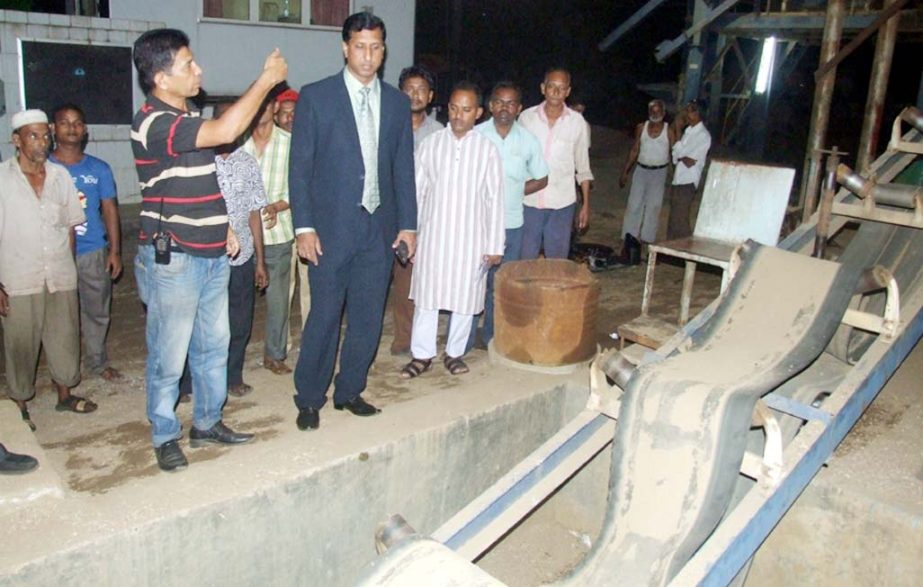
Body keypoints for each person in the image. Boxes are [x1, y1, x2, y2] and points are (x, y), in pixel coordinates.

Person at [131, 28, 287, 472]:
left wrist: (225, 227)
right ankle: (164, 433)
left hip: (213, 251)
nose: (198, 69)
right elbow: (227, 129)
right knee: (169, 352)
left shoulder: (186, 115)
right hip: (174, 257)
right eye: (188, 64)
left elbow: (204, 181)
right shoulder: (154, 122)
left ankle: (206, 422)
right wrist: (266, 80)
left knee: (212, 346)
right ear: (161, 78)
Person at [289, 11, 416, 431]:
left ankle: (349, 390)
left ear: (384, 50)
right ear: (345, 48)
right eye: (360, 46)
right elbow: (300, 168)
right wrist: (304, 227)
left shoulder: (396, 103)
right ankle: (309, 397)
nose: (368, 56)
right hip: (328, 231)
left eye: (375, 47)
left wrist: (408, 224)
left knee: (366, 317)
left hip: (378, 231)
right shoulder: (316, 96)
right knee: (325, 314)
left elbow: (403, 168)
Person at [0, 110, 96, 432]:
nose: (41, 142)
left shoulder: (60, 177)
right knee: (20, 344)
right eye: (32, 136)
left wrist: (68, 271)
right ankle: (20, 405)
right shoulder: (2, 179)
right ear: (16, 140)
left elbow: (70, 227)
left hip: (59, 274)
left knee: (64, 338)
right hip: (17, 277)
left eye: (44, 135)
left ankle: (65, 394)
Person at [401, 81, 505, 378]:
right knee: (427, 297)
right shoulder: (431, 145)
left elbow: (494, 199)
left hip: (471, 239)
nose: (459, 115)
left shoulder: (486, 151)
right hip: (433, 236)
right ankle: (421, 355)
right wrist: (412, 234)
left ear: (479, 113)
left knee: (464, 298)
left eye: (467, 110)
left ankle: (454, 353)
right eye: (454, 108)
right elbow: (417, 192)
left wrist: (495, 244)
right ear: (448, 109)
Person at [179, 102, 270, 400]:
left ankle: (233, 377)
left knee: (240, 320)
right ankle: (189, 383)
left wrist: (260, 261)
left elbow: (255, 212)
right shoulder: (199, 160)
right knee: (198, 323)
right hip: (205, 255)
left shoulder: (247, 162)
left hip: (241, 256)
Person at [468, 81, 547, 349]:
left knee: (500, 285)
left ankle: (492, 337)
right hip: (476, 224)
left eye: (511, 103)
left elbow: (542, 177)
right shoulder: (475, 136)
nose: (505, 108)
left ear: (519, 108)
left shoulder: (528, 141)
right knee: (471, 284)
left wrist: (513, 189)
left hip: (512, 225)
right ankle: (463, 342)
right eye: (499, 102)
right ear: (490, 106)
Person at [49, 103, 124, 382]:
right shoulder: (43, 168)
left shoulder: (98, 169)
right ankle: (63, 370)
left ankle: (97, 362)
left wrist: (114, 250)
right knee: (60, 315)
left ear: (85, 130)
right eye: (65, 122)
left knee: (96, 310)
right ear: (53, 129)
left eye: (78, 123)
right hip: (54, 255)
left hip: (92, 250)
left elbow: (109, 209)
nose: (72, 128)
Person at [390, 65, 443, 357]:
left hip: (423, 219)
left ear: (431, 95)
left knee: (413, 281)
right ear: (400, 93)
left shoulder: (439, 134)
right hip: (387, 216)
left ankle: (409, 338)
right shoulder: (387, 126)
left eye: (421, 89)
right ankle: (397, 336)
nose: (415, 94)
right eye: (409, 89)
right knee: (388, 281)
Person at [242, 96, 295, 376]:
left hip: (277, 233)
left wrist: (277, 205)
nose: (260, 110)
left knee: (277, 301)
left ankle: (274, 354)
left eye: (265, 104)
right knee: (238, 301)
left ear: (274, 108)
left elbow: (300, 187)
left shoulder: (288, 144)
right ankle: (232, 358)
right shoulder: (238, 143)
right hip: (240, 237)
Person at [519, 67, 593, 259]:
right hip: (529, 201)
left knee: (556, 261)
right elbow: (516, 158)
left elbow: (583, 167)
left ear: (568, 91)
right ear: (543, 88)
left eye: (562, 88)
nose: (556, 91)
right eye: (552, 86)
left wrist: (585, 205)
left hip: (562, 203)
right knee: (526, 258)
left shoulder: (577, 123)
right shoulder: (526, 118)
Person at [272, 88, 311, 334]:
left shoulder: (311, 142)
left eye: (294, 113)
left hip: (309, 227)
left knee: (311, 289)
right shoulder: (269, 144)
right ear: (276, 117)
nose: (290, 118)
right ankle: (280, 346)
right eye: (284, 114)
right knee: (282, 292)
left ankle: (311, 342)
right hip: (280, 229)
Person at [619, 99, 676, 257]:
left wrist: (675, 176)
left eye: (658, 111)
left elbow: (674, 153)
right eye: (652, 110)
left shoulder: (668, 131)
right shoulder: (641, 128)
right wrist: (625, 171)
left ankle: (646, 241)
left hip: (659, 172)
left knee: (653, 207)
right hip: (641, 170)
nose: (655, 114)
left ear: (663, 113)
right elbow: (635, 149)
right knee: (634, 204)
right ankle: (628, 239)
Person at [668, 99, 712, 240]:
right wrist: (678, 131)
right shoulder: (689, 131)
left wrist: (680, 156)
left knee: (680, 220)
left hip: (688, 181)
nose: (686, 114)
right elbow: (677, 155)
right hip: (679, 179)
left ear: (698, 113)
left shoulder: (703, 136)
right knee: (674, 220)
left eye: (690, 110)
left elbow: (689, 161)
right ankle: (672, 252)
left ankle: (685, 252)